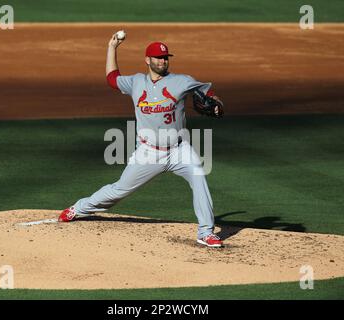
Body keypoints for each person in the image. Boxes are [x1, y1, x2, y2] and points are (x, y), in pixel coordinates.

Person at [58, 33, 224, 248]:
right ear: (148, 60)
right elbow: (111, 78)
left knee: (199, 178)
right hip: (148, 152)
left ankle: (206, 232)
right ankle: (78, 208)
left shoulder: (182, 81)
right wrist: (112, 47)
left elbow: (208, 92)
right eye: (158, 57)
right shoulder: (136, 82)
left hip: (179, 149)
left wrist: (218, 102)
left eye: (165, 57)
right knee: (120, 190)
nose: (163, 61)